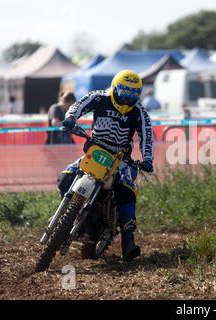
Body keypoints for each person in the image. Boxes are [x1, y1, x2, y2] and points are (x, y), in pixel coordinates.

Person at [59, 70, 154, 262]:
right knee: (66, 176)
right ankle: (67, 219)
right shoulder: (99, 97)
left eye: (133, 94)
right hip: (95, 152)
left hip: (121, 160)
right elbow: (78, 105)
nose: (128, 98)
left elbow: (147, 135)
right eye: (125, 92)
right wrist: (70, 118)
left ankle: (128, 242)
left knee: (126, 190)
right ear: (115, 87)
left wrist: (147, 159)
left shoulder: (139, 112)